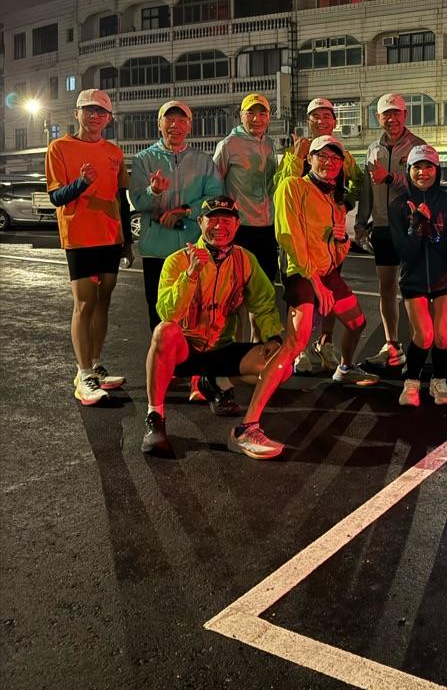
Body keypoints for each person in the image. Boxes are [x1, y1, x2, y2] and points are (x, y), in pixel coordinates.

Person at [141, 195, 291, 461]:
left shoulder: (245, 259)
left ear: (237, 225)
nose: (220, 226)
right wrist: (191, 275)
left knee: (282, 364)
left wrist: (272, 337)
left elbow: (265, 303)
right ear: (200, 222)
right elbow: (167, 313)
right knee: (164, 331)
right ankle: (155, 417)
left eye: (227, 220)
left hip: (222, 348)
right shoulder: (177, 260)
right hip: (186, 351)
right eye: (213, 219)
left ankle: (218, 387)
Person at [45, 88, 133, 405]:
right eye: (89, 110)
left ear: (109, 119)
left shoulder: (114, 152)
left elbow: (121, 200)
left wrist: (127, 241)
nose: (95, 116)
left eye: (101, 112)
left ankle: (95, 365)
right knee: (84, 304)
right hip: (80, 236)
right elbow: (56, 197)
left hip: (110, 237)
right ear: (77, 114)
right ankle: (83, 375)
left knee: (103, 302)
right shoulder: (59, 147)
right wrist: (82, 183)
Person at [274, 135, 379, 387]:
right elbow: (289, 238)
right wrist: (316, 283)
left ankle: (345, 368)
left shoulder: (336, 200)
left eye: (335, 158)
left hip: (326, 273)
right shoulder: (292, 186)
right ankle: (265, 385)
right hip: (301, 272)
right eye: (322, 156)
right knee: (297, 339)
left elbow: (337, 253)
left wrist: (341, 241)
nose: (329, 162)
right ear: (309, 159)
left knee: (357, 323)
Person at [130, 100, 222, 331]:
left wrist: (186, 211)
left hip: (194, 251)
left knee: (195, 314)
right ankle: (162, 354)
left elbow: (215, 198)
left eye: (181, 120)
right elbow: (139, 201)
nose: (175, 125)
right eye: (169, 119)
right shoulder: (143, 159)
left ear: (189, 126)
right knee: (160, 315)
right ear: (159, 124)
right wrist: (155, 191)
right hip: (156, 250)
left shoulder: (203, 161)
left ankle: (189, 355)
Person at [389, 145, 447, 407]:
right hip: (413, 278)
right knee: (424, 336)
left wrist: (432, 230)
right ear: (408, 170)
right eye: (417, 167)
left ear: (437, 169)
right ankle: (411, 382)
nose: (422, 173)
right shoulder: (398, 205)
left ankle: (439, 380)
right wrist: (416, 225)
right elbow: (404, 252)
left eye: (428, 167)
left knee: (444, 336)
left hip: (446, 278)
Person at [355, 93, 426, 370]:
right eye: (386, 114)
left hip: (410, 227)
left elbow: (425, 183)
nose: (391, 118)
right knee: (386, 288)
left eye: (396, 113)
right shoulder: (373, 149)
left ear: (405, 115)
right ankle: (392, 345)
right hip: (383, 228)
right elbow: (366, 190)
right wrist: (361, 223)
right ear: (378, 118)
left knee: (412, 290)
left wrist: (391, 178)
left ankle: (419, 347)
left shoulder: (418, 146)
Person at [213, 93, 280, 289]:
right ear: (241, 115)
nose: (256, 119)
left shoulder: (269, 144)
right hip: (240, 228)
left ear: (268, 117)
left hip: (268, 226)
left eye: (262, 114)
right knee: (239, 285)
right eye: (250, 113)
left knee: (266, 283)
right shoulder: (228, 144)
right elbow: (214, 184)